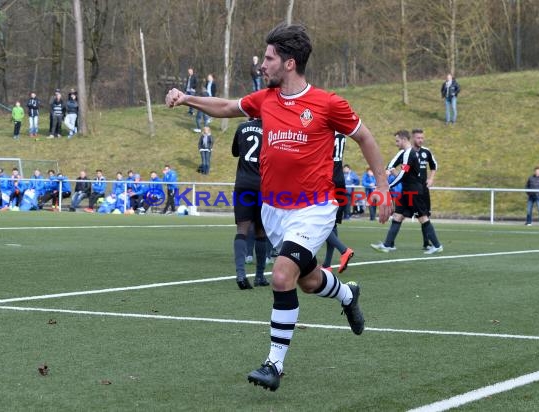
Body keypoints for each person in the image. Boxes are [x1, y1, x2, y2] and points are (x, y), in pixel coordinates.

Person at [166, 22, 392, 392]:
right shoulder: (264, 99)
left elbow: (364, 137)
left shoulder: (327, 103)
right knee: (307, 280)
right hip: (274, 210)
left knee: (283, 276)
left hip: (315, 208)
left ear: (289, 63)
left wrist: (382, 186)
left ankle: (274, 364)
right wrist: (186, 98)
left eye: (269, 58)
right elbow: (225, 106)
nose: (263, 64)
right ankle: (348, 295)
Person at [371, 130, 443, 255]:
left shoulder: (410, 154)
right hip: (406, 190)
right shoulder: (405, 153)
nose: (396, 143)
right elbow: (393, 166)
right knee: (398, 215)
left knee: (423, 217)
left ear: (404, 140)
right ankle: (388, 245)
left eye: (397, 141)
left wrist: (389, 185)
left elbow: (403, 174)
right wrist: (387, 173)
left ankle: (437, 245)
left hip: (415, 191)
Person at [231, 118, 269, 289]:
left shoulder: (242, 127)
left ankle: (240, 274)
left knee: (242, 230)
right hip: (263, 186)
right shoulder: (271, 130)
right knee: (261, 231)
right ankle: (260, 276)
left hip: (242, 185)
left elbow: (235, 152)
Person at [322, 132, 354, 273]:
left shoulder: (325, 130)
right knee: (332, 223)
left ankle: (343, 250)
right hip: (339, 178)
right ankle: (327, 265)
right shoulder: (341, 134)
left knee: (317, 221)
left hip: (327, 180)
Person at [412, 128, 438, 249]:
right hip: (411, 189)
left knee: (425, 215)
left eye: (422, 138)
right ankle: (389, 243)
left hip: (424, 189)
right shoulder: (408, 152)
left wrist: (431, 179)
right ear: (413, 138)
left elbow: (434, 166)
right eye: (418, 138)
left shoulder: (426, 152)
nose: (421, 140)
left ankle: (426, 243)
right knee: (399, 215)